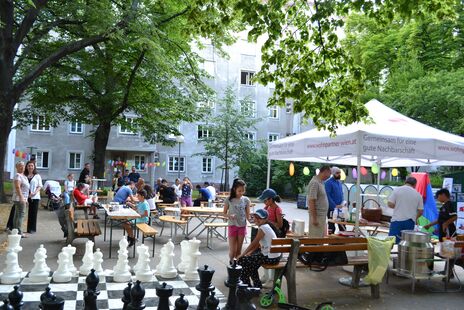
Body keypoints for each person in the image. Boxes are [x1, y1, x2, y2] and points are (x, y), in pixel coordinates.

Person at [237, 209, 281, 288]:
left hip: (270, 257)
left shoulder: (263, 228)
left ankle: (246, 285)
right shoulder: (265, 227)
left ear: (265, 219)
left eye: (260, 218)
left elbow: (254, 242)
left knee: (242, 260)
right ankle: (255, 286)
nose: (257, 219)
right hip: (273, 256)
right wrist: (250, 252)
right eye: (255, 217)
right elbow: (258, 244)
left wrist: (242, 254)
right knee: (251, 265)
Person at [388, 176, 424, 243]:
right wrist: (415, 217)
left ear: (405, 182)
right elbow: (421, 211)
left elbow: (390, 204)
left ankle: (392, 253)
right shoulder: (418, 195)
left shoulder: (397, 190)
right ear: (415, 185)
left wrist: (398, 206)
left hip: (397, 220)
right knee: (406, 243)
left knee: (392, 241)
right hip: (410, 222)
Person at [224, 179, 251, 263]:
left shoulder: (246, 200)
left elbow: (248, 215)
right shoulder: (229, 199)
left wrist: (254, 220)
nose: (241, 192)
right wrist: (229, 215)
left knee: (239, 250)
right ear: (234, 189)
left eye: (243, 190)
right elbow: (224, 213)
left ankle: (237, 265)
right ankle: (231, 263)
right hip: (232, 226)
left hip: (242, 226)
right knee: (232, 250)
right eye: (239, 191)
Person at [307, 165, 331, 237]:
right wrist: (314, 218)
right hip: (317, 216)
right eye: (329, 174)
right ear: (325, 172)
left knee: (320, 238)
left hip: (321, 216)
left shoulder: (321, 182)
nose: (329, 176)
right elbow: (311, 201)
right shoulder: (315, 182)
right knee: (315, 238)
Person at [324, 167, 345, 234]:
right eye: (337, 173)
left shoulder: (339, 182)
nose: (339, 174)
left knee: (342, 226)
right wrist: (334, 206)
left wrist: (342, 204)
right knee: (331, 226)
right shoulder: (328, 182)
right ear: (333, 173)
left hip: (340, 208)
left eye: (339, 173)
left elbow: (341, 194)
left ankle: (342, 242)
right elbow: (328, 196)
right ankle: (331, 241)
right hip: (331, 208)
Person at [12, 161, 30, 237]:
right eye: (20, 166)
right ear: (16, 167)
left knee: (17, 215)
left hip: (22, 198)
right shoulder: (18, 176)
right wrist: (22, 198)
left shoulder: (23, 176)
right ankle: (19, 232)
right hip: (19, 199)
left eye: (23, 166)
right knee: (20, 215)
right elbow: (17, 187)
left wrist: (25, 198)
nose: (22, 167)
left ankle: (15, 230)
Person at [26, 161, 42, 234]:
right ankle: (27, 228)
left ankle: (32, 229)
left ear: (34, 167)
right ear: (27, 167)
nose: (30, 167)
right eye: (29, 166)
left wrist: (34, 193)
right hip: (25, 196)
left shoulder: (37, 176)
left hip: (34, 197)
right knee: (24, 212)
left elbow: (40, 186)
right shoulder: (24, 175)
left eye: (32, 166)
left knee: (33, 213)